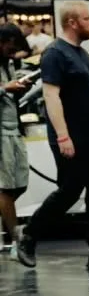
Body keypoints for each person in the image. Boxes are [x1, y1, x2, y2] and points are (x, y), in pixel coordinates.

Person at [14, 3, 89, 272]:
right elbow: (50, 96)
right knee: (69, 192)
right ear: (73, 23)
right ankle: (29, 236)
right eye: (88, 19)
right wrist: (64, 137)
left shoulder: (81, 53)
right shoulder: (55, 53)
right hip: (72, 137)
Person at [0, 22, 34, 255]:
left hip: (14, 129)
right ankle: (15, 240)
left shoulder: (9, 64)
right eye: (10, 48)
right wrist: (6, 88)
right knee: (5, 188)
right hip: (1, 131)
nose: (13, 53)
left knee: (20, 183)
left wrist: (18, 86)